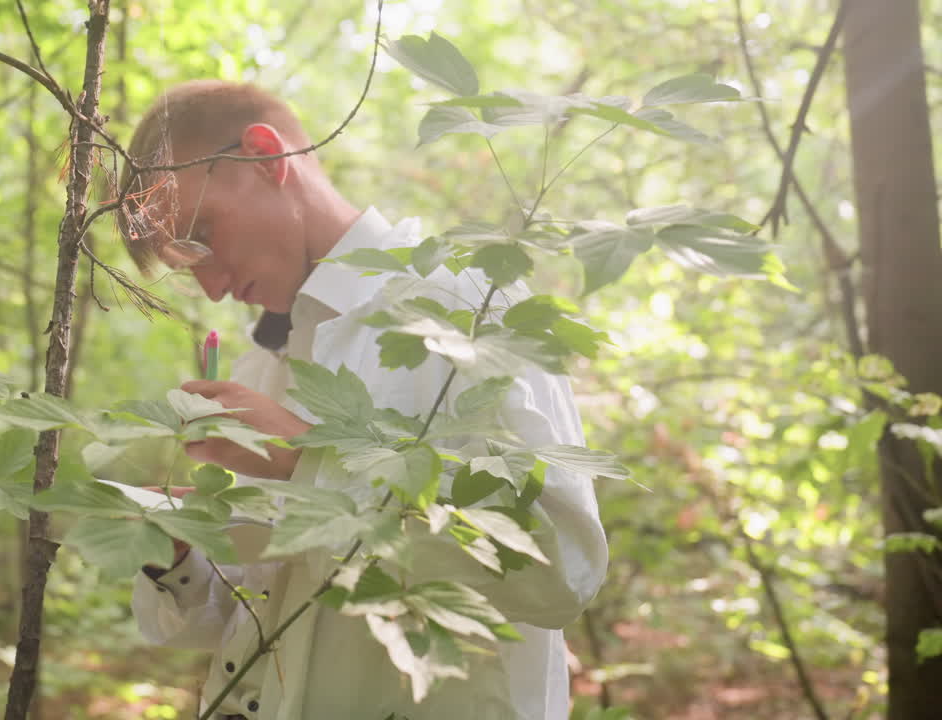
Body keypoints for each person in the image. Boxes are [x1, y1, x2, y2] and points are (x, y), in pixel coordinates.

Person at [118, 80, 608, 720]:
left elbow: (561, 572)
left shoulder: (462, 305)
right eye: (188, 267)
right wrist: (179, 556)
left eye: (203, 235)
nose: (211, 288)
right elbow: (272, 608)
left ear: (267, 156)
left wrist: (306, 459)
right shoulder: (264, 362)